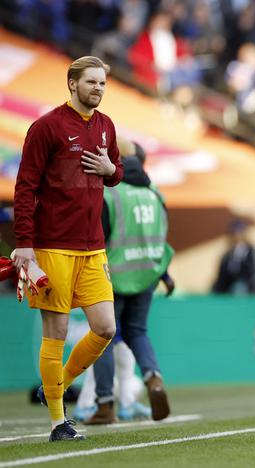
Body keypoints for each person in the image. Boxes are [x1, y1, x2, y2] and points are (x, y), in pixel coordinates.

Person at [12, 56, 123, 441]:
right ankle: (59, 423)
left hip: (93, 246)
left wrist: (112, 172)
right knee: (56, 332)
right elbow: (25, 187)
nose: (98, 88)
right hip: (53, 245)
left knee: (105, 327)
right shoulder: (46, 127)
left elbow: (115, 172)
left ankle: (54, 383)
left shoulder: (106, 126)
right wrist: (24, 245)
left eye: (103, 83)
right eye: (91, 82)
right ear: (72, 84)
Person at [86, 142, 175, 424]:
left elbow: (97, 237)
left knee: (103, 339)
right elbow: (161, 236)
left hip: (113, 275)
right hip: (148, 272)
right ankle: (153, 378)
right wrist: (164, 274)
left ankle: (105, 405)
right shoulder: (154, 192)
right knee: (138, 332)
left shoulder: (109, 192)